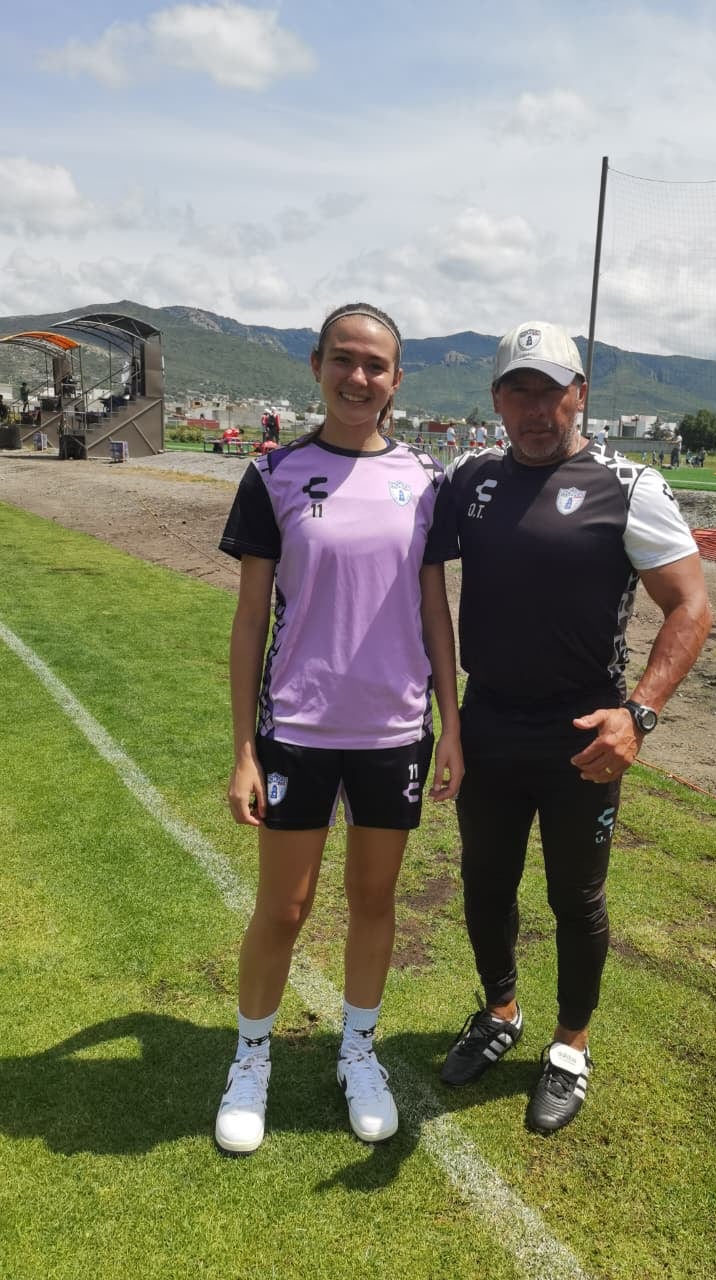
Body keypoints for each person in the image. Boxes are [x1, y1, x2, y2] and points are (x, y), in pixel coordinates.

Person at [425, 320, 711, 1134]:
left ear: (579, 394)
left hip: (583, 732)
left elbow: (691, 606)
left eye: (550, 391)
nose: (535, 409)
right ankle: (500, 1012)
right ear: (496, 400)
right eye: (518, 391)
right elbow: (413, 562)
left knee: (575, 896)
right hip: (489, 721)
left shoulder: (630, 484)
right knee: (485, 883)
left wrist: (639, 715)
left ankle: (570, 1047)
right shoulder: (471, 478)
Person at [215, 302, 463, 1153]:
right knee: (284, 908)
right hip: (298, 729)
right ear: (317, 365)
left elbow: (433, 610)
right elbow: (250, 620)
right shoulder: (273, 473)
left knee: (374, 900)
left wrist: (451, 727)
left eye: (376, 365)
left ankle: (359, 1049)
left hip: (393, 732)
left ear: (397, 379)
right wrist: (243, 751)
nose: (359, 378)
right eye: (344, 360)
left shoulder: (426, 477)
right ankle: (251, 1059)